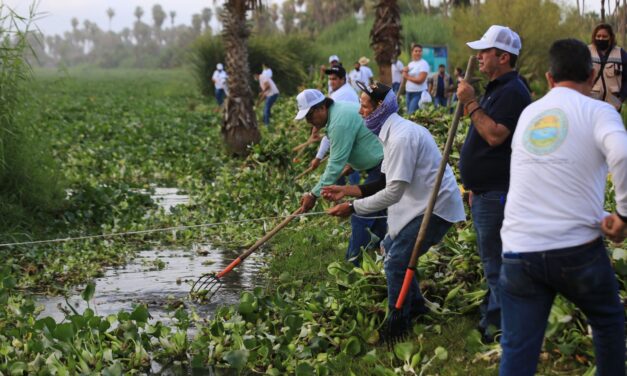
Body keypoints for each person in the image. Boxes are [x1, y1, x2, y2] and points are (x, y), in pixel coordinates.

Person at [499, 38, 627, 376]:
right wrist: (623, 216)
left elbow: (544, 181)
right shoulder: (600, 111)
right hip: (576, 253)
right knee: (608, 322)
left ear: (549, 78)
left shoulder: (528, 114)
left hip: (518, 251)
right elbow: (623, 155)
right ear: (591, 75)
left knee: (517, 349)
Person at [322, 81, 465, 332]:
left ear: (379, 108)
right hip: (418, 202)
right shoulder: (390, 133)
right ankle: (417, 306)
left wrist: (353, 207)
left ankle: (398, 321)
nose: (359, 111)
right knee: (390, 249)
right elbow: (385, 181)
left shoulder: (402, 137)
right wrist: (347, 190)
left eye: (364, 106)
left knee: (396, 260)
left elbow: (393, 192)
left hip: (435, 207)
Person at [456, 25, 531, 342]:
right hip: (485, 192)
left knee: (496, 260)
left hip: (497, 192)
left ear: (503, 57)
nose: (479, 56)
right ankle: (493, 314)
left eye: (485, 52)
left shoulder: (513, 91)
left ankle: (500, 325)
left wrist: (471, 103)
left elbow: (495, 134)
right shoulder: (497, 88)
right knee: (491, 259)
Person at [295, 89, 386, 265]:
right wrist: (353, 164)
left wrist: (313, 195)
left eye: (310, 116)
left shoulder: (338, 123)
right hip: (379, 163)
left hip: (384, 165)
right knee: (379, 213)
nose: (309, 122)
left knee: (361, 212)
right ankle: (379, 251)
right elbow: (359, 140)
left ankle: (353, 263)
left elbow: (335, 165)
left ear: (321, 107)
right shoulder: (338, 112)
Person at [310, 66, 361, 186]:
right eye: (330, 79)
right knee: (346, 162)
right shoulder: (343, 91)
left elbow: (332, 131)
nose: (331, 82)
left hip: (350, 133)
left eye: (334, 79)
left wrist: (318, 157)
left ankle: (353, 191)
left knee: (345, 162)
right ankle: (345, 189)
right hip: (351, 131)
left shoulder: (341, 96)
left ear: (343, 79)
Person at [588, 23, 627, 110]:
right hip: (591, 101)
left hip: (614, 103)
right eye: (598, 36)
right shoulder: (586, 51)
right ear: (594, 36)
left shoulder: (621, 53)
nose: (601, 38)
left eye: (604, 36)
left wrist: (621, 98)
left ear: (610, 38)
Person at [403, 44, 430, 114]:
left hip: (418, 93)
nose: (418, 53)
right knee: (409, 114)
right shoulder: (410, 64)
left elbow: (420, 80)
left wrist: (407, 76)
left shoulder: (424, 64)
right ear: (412, 52)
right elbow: (404, 75)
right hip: (408, 92)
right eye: (416, 51)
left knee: (411, 114)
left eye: (420, 51)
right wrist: (404, 71)